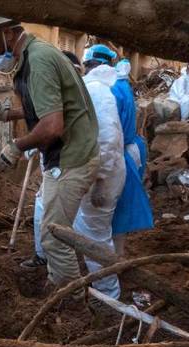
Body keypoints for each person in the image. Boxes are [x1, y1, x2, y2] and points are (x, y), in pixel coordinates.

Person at [0, 15, 99, 292]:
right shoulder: (34, 55)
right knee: (53, 231)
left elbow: (53, 125)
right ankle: (59, 283)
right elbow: (49, 106)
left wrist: (17, 145)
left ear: (7, 34)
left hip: (71, 158)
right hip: (67, 154)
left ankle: (70, 302)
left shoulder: (38, 62)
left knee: (55, 237)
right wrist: (10, 115)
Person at [74, 49, 126, 299]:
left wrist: (101, 180)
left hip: (103, 173)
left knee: (95, 237)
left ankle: (109, 296)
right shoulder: (111, 85)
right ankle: (104, 288)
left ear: (88, 65)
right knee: (95, 231)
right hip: (104, 169)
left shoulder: (96, 89)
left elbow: (107, 137)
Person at [109, 59, 154, 256]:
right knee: (122, 204)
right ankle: (117, 252)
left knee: (115, 205)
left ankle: (114, 257)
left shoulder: (111, 89)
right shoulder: (122, 85)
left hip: (119, 152)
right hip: (132, 149)